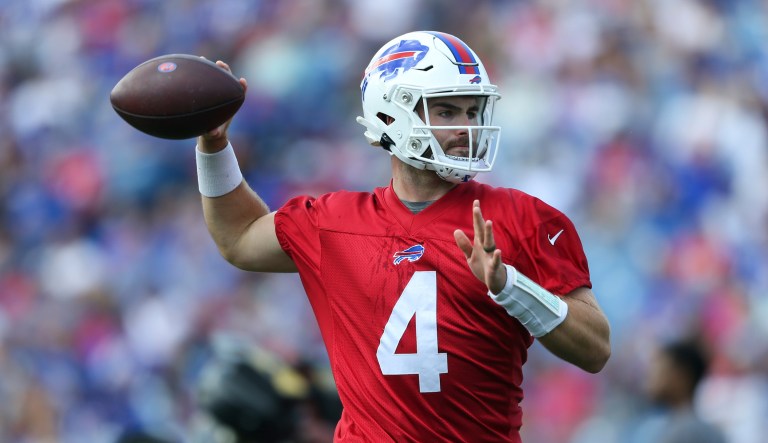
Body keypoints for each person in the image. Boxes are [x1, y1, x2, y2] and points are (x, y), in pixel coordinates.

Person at [194, 31, 611, 442]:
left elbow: (595, 349)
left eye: (472, 112)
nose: (466, 128)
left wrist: (511, 288)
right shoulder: (333, 221)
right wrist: (214, 146)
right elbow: (240, 237)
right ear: (391, 115)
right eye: (447, 112)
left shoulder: (524, 218)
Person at [631, 339, 727, 443]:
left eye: (659, 370)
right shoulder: (669, 426)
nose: (650, 378)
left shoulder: (688, 432)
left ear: (682, 377)